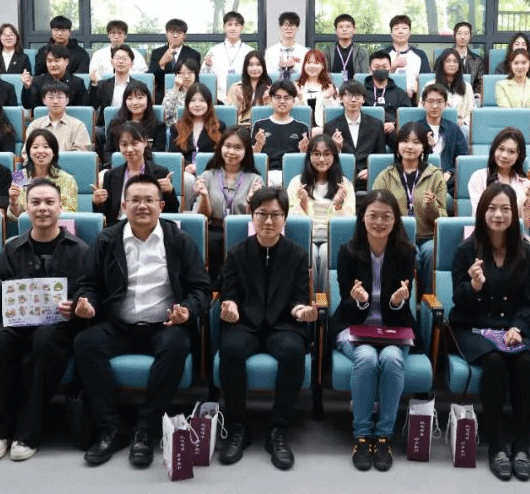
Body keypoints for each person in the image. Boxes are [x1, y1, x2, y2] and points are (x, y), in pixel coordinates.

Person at [74, 173, 211, 469]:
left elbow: (201, 289)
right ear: (124, 205)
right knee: (85, 343)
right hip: (119, 325)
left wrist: (187, 311)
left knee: (176, 346)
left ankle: (145, 430)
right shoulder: (107, 240)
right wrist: (87, 303)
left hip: (165, 325)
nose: (142, 206)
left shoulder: (179, 241)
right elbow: (89, 284)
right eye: (135, 200)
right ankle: (112, 428)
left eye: (149, 200)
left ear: (161, 205)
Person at [0, 179, 90, 462]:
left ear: (60, 207)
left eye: (49, 202)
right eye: (36, 203)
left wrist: (75, 305)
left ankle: (28, 432)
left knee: (45, 339)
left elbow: (88, 292)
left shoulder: (79, 250)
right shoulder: (12, 249)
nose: (42, 208)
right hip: (17, 326)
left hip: (58, 329)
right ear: (26, 208)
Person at [218, 187, 317, 470]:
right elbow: (229, 292)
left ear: (285, 218)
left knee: (293, 351)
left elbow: (298, 298)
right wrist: (230, 305)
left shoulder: (297, 255)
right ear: (252, 216)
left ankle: (278, 430)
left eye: (276, 215)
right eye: (262, 214)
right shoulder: (237, 253)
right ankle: (237, 427)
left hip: (283, 324)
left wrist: (302, 311)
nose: (269, 221)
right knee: (231, 349)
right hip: (245, 323)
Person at [450, 182, 530, 481]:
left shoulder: (526, 252)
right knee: (494, 361)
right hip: (473, 327)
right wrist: (474, 286)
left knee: (523, 361)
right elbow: (459, 300)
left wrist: (518, 327)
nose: (498, 215)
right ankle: (496, 444)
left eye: (505, 209)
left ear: (514, 213)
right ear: (482, 212)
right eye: (491, 208)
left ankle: (522, 444)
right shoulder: (466, 251)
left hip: (510, 328)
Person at [331, 190, 418, 472]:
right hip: (355, 325)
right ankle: (361, 436)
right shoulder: (347, 251)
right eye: (373, 216)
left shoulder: (406, 252)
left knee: (391, 359)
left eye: (386, 216)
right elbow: (346, 301)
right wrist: (359, 300)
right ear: (362, 218)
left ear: (395, 220)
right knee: (367, 358)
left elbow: (402, 304)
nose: (379, 222)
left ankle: (383, 437)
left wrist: (397, 301)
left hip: (394, 327)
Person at [373, 121, 446, 297]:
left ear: (424, 147)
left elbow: (442, 218)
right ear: (397, 146)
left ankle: (428, 301)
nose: (410, 147)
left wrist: (431, 206)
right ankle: (406, 301)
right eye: (405, 141)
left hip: (427, 236)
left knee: (431, 252)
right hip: (398, 236)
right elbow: (374, 210)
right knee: (409, 254)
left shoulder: (435, 175)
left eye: (416, 142)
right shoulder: (386, 176)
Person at [190, 126, 265, 287]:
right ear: (220, 147)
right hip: (214, 228)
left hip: (242, 230)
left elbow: (254, 219)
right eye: (227, 146)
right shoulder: (207, 175)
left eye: (237, 148)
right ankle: (212, 290)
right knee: (211, 242)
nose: (231, 152)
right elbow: (203, 217)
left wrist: (251, 199)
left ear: (246, 151)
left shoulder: (255, 179)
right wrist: (204, 196)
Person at [287, 134, 355, 292]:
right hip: (306, 236)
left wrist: (338, 204)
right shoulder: (297, 182)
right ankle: (309, 298)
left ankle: (322, 299)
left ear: (334, 156)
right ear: (309, 156)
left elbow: (348, 222)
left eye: (327, 154)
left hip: (332, 237)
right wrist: (303, 204)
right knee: (309, 253)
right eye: (316, 154)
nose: (322, 159)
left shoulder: (344, 184)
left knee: (325, 254)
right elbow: (289, 219)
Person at [94, 122, 179, 226]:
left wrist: (169, 192)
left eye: (134, 144)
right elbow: (106, 216)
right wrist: (98, 203)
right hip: (119, 228)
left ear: (145, 142)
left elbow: (172, 212)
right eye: (124, 145)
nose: (129, 149)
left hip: (150, 226)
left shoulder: (160, 172)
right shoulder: (111, 175)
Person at [467, 127, 530, 230]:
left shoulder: (526, 185)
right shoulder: (479, 177)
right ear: (494, 149)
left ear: (519, 156)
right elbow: (480, 214)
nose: (504, 155)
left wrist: (529, 204)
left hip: (515, 235)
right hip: (484, 233)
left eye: (511, 151)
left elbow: (528, 224)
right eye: (501, 149)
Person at [324, 80, 385, 192]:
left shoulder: (376, 125)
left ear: (363, 99)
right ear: (341, 98)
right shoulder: (330, 127)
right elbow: (326, 160)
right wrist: (337, 148)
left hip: (369, 179)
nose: (353, 100)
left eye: (357, 96)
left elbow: (381, 156)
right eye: (348, 95)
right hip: (341, 178)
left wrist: (371, 170)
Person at [7, 129, 78, 220]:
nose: (40, 151)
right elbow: (14, 217)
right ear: (29, 152)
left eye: (46, 147)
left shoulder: (67, 179)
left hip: (58, 225)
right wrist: (13, 202)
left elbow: (71, 214)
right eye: (35, 147)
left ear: (54, 152)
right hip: (28, 226)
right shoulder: (19, 176)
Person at [252, 80, 310, 187]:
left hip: (293, 174)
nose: (282, 101)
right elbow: (254, 157)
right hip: (267, 173)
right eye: (278, 97)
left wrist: (303, 151)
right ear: (271, 100)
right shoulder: (259, 125)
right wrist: (258, 145)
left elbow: (306, 160)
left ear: (293, 101)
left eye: (287, 98)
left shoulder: (302, 127)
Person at [169, 84, 223, 192]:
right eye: (193, 101)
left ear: (208, 103)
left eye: (202, 100)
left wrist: (202, 166)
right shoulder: (177, 127)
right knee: (186, 179)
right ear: (187, 104)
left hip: (211, 171)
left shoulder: (219, 126)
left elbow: (221, 154)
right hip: (187, 172)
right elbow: (174, 154)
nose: (197, 105)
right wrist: (187, 166)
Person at [495, 48, 530, 159]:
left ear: (529, 64)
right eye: (516, 63)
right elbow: (505, 109)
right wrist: (522, 127)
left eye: (523, 63)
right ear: (511, 65)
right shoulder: (501, 85)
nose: (520, 66)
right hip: (509, 126)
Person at [419, 85, 469, 192]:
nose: (435, 106)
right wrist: (426, 146)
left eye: (439, 102)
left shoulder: (453, 129)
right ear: (423, 103)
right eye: (430, 101)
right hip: (422, 176)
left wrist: (450, 172)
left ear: (446, 104)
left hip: (447, 178)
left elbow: (463, 158)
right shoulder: (416, 128)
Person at [25, 81, 92, 152]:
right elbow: (26, 152)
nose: (55, 101)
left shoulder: (78, 126)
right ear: (44, 100)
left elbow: (80, 154)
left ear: (67, 100)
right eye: (51, 97)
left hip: (68, 160)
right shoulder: (35, 126)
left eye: (59, 97)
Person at [363, 50, 412, 146]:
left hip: (392, 131)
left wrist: (394, 124)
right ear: (370, 69)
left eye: (384, 66)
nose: (381, 69)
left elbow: (406, 115)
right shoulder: (361, 92)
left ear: (390, 67)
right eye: (377, 67)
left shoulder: (400, 93)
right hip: (367, 130)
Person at [203, 11, 255, 101]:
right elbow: (205, 77)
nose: (233, 28)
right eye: (229, 25)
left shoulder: (249, 51)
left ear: (242, 28)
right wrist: (208, 65)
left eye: (236, 25)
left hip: (244, 98)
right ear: (224, 27)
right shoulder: (214, 51)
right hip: (218, 99)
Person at [148, 18, 201, 102]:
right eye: (172, 32)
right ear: (167, 34)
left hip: (185, 96)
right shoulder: (156, 53)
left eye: (179, 33)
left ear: (184, 36)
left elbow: (196, 79)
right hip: (161, 96)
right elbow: (150, 78)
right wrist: (162, 63)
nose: (175, 36)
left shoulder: (193, 54)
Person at [90, 45, 152, 116]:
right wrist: (94, 84)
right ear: (112, 62)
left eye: (124, 59)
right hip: (108, 122)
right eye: (117, 58)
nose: (121, 61)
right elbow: (92, 106)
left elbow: (147, 108)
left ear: (131, 64)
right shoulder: (103, 85)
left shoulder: (140, 86)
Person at [22, 43, 88, 110]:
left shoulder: (77, 82)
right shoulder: (38, 81)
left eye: (57, 61)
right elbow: (28, 106)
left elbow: (82, 108)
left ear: (66, 61)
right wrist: (27, 88)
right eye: (49, 61)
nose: (53, 65)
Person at [104, 83, 165, 154]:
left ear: (148, 100)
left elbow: (157, 154)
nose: (135, 102)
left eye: (140, 98)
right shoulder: (115, 124)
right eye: (130, 98)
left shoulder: (158, 126)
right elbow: (108, 153)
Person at [426, 49, 474, 135]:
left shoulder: (467, 87)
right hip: (436, 123)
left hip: (459, 126)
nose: (452, 64)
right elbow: (422, 107)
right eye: (448, 61)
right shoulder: (430, 85)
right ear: (442, 64)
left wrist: (464, 122)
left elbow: (472, 111)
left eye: (455, 61)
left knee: (464, 130)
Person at [385, 14, 431, 99]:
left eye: (404, 28)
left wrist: (415, 90)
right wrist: (393, 66)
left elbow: (426, 81)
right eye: (396, 29)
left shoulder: (420, 55)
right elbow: (375, 77)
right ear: (391, 33)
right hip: (387, 98)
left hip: (413, 99)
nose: (400, 31)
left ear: (410, 32)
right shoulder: (383, 54)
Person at [226, 51, 272, 129]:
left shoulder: (270, 89)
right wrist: (241, 104)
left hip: (264, 127)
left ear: (263, 67)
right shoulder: (236, 88)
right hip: (241, 127)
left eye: (258, 65)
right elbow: (230, 114)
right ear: (246, 67)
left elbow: (274, 114)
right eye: (250, 65)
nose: (254, 69)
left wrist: (266, 101)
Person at [323, 13, 370, 82]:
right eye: (341, 27)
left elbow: (364, 75)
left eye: (348, 27)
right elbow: (324, 74)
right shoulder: (327, 52)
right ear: (336, 31)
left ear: (354, 30)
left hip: (355, 87)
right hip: (333, 87)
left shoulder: (362, 52)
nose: (344, 29)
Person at [297, 49, 338, 126]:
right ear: (304, 65)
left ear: (323, 66)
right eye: (309, 62)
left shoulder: (330, 87)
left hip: (324, 128)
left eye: (316, 63)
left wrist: (328, 98)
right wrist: (299, 97)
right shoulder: (297, 86)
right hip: (301, 127)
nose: (312, 66)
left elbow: (335, 113)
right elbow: (292, 112)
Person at [265, 12, 305, 82]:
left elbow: (307, 73)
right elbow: (267, 74)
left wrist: (294, 67)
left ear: (297, 28)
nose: (289, 28)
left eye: (292, 25)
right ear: (280, 27)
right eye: (286, 25)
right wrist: (279, 67)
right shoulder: (270, 52)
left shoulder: (304, 51)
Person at [451, 21, 484, 94]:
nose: (462, 37)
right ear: (454, 36)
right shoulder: (444, 58)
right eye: (459, 33)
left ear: (470, 37)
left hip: (471, 96)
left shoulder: (478, 60)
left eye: (466, 33)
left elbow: (480, 84)